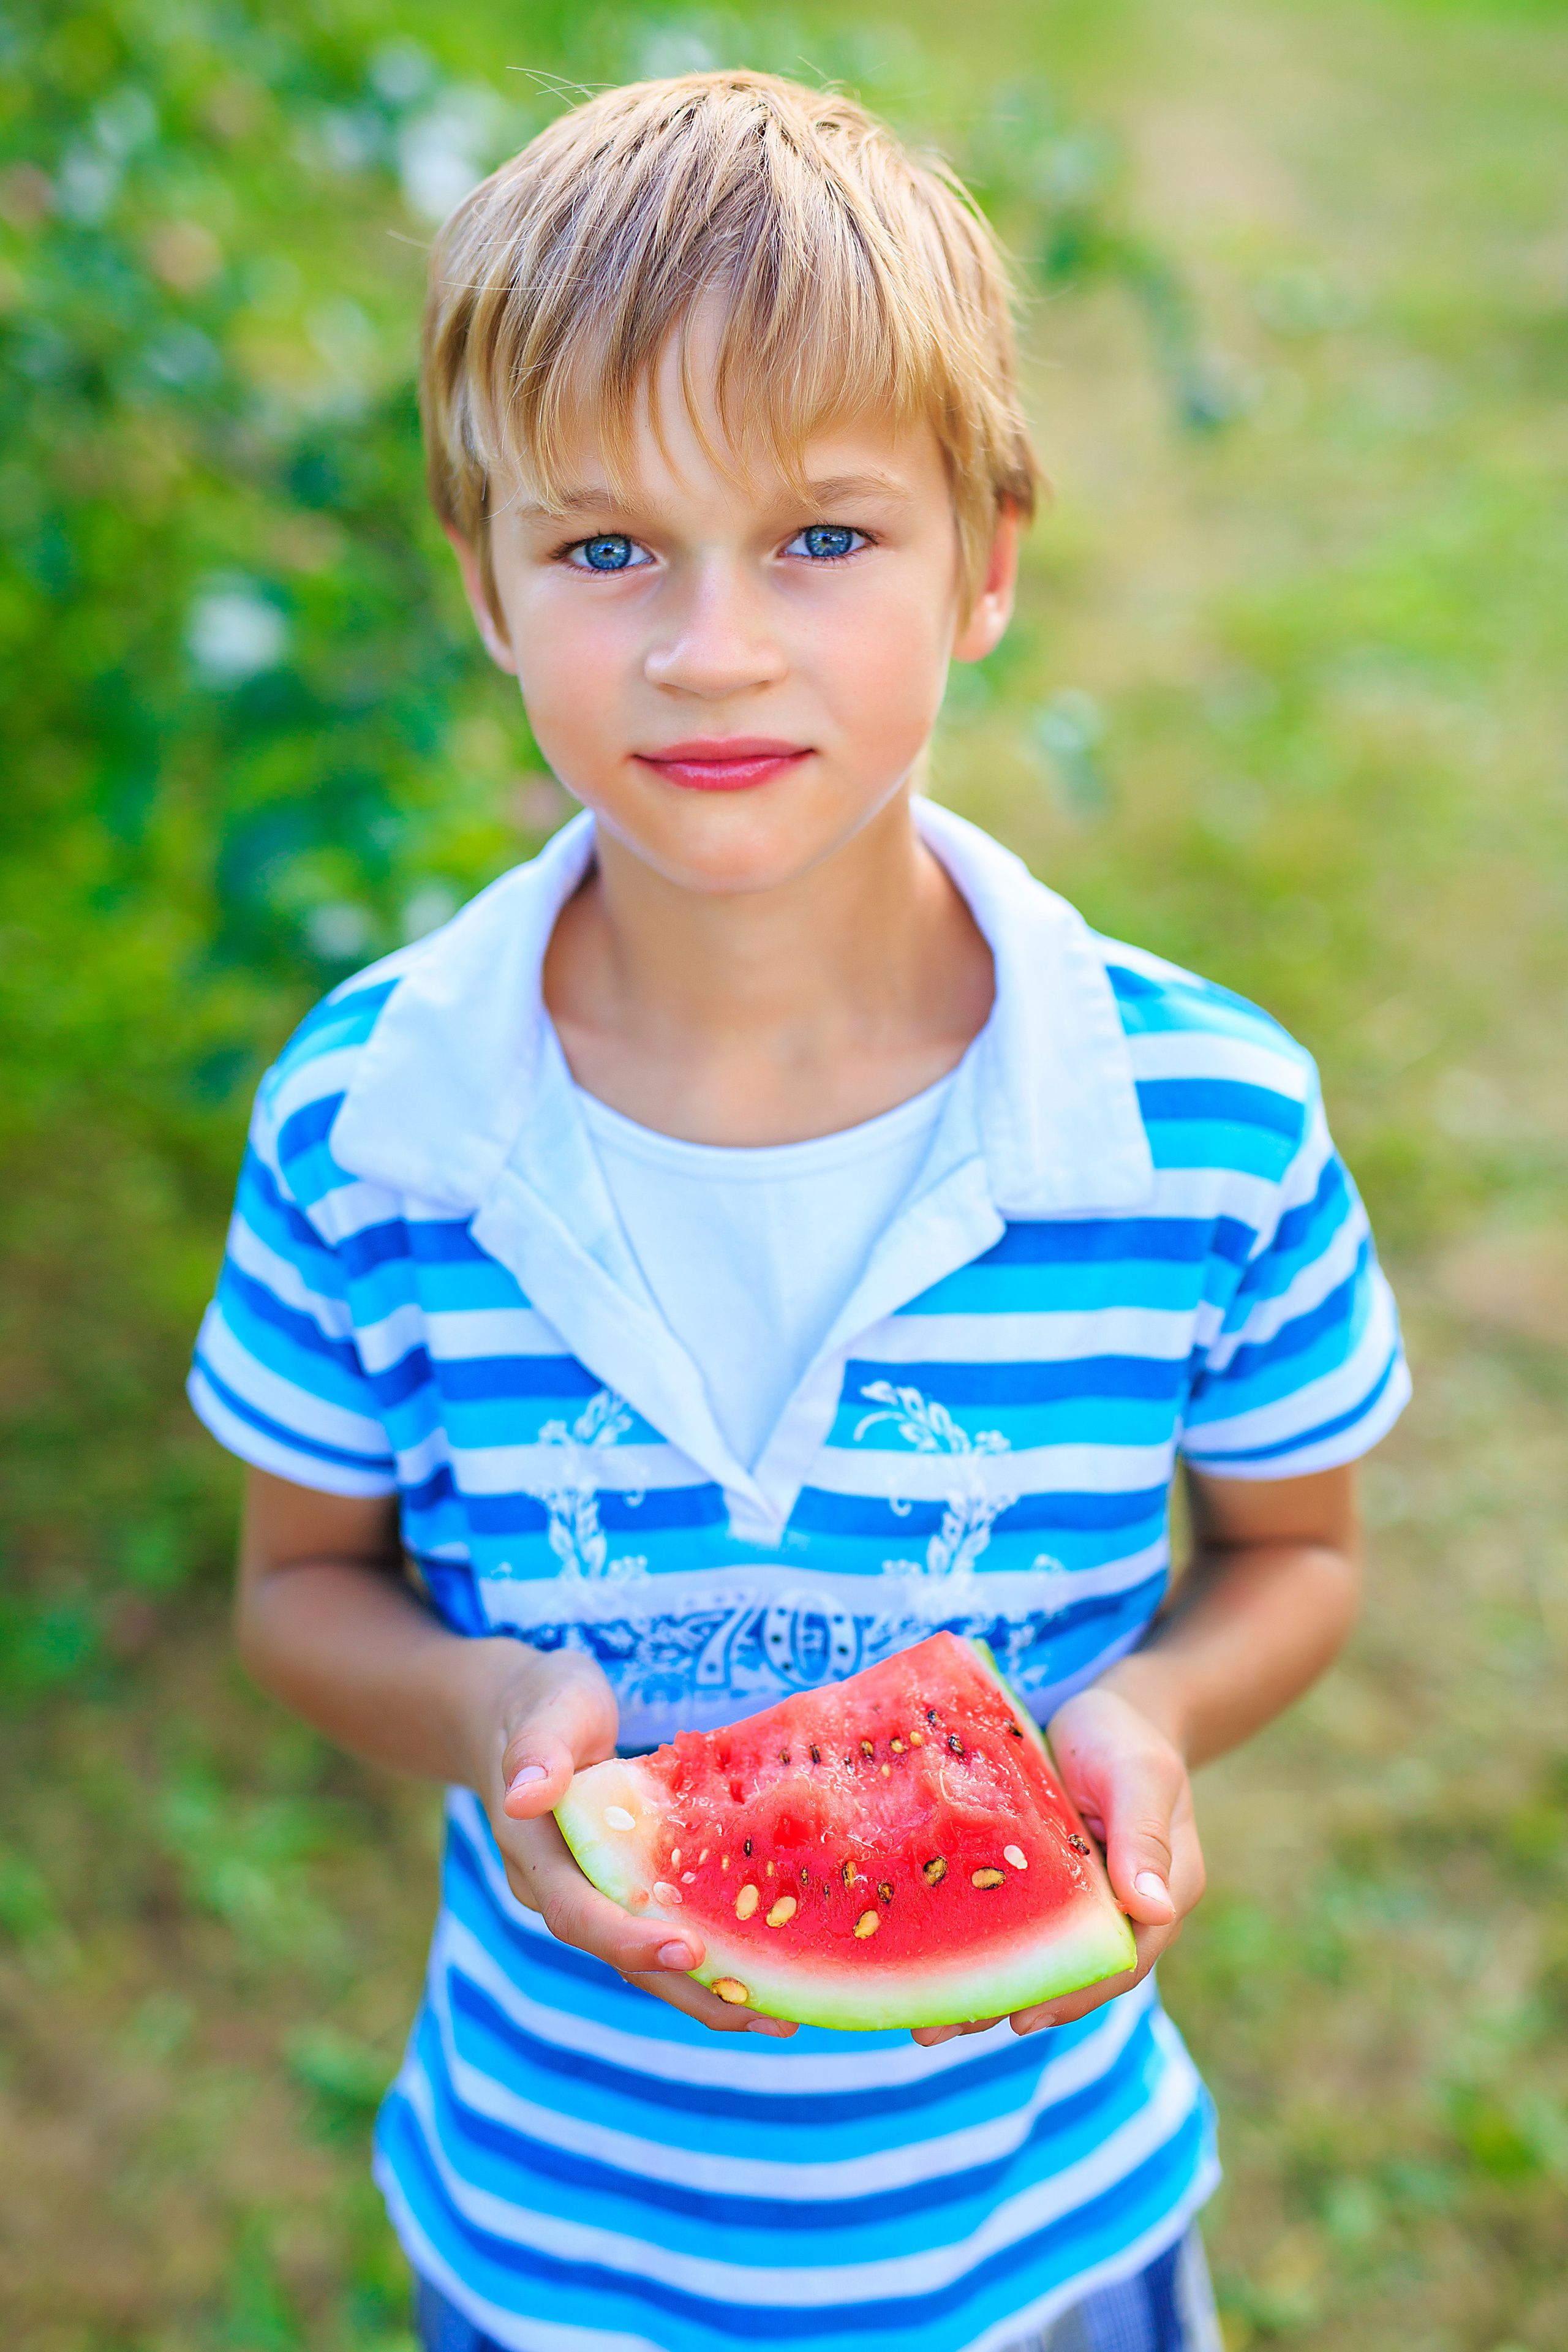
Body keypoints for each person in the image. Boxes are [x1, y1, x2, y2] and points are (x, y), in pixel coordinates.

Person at [189, 71, 1409, 2352]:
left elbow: (1300, 1556)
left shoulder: (1206, 1127)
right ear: (482, 582)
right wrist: (485, 1709)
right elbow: (298, 1591)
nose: (712, 648)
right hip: (559, 2246)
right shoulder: (369, 1125)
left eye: (824, 539)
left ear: (990, 562)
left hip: (1036, 2235)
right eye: (604, 549)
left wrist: (1150, 1716)